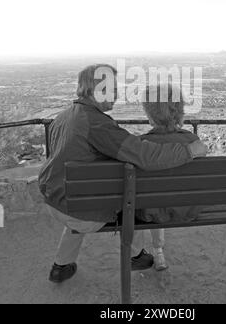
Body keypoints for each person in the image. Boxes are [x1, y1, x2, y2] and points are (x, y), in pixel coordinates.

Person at [38, 64, 206, 283]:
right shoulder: (97, 124)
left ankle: (61, 265)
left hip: (57, 200)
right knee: (130, 201)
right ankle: (136, 256)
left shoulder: (63, 117)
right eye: (112, 88)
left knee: (99, 197)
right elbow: (145, 155)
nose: (117, 94)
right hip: (82, 212)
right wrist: (189, 150)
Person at [138, 83, 207, 270]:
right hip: (188, 210)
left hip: (151, 212)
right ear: (179, 110)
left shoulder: (142, 145)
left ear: (150, 114)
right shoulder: (193, 142)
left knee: (151, 199)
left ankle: (151, 252)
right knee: (160, 196)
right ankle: (158, 251)